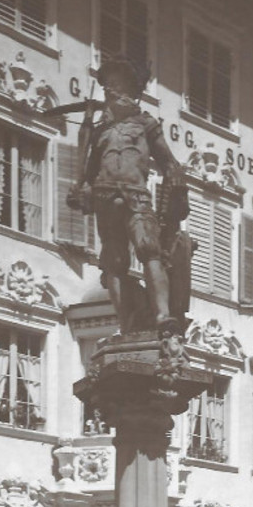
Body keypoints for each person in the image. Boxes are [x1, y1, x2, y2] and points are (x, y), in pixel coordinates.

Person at [67, 56, 190, 335]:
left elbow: (168, 161)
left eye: (116, 84)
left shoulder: (145, 124)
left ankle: (162, 316)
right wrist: (80, 184)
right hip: (105, 198)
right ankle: (125, 327)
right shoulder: (100, 131)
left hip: (136, 196)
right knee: (114, 264)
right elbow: (87, 169)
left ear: (130, 89)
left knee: (150, 251)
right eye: (107, 85)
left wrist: (178, 190)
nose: (110, 90)